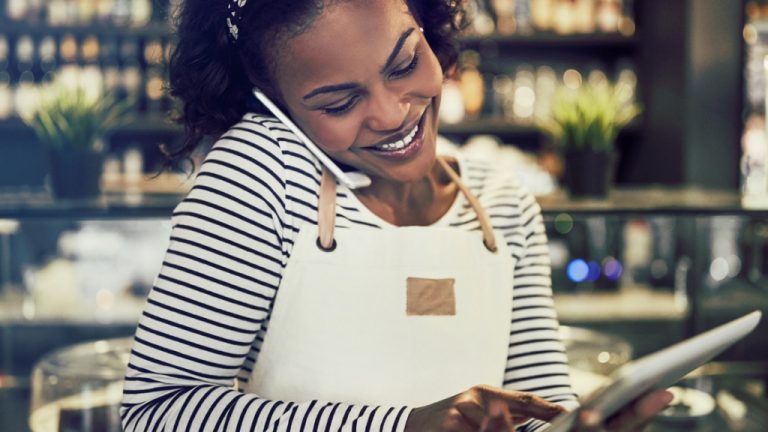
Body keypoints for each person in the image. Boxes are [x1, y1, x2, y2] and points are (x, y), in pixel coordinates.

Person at [120, 1, 672, 430]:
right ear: (274, 104)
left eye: (405, 63)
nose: (391, 114)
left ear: (429, 29)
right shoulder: (260, 174)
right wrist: (401, 426)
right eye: (339, 103)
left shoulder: (502, 203)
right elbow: (158, 411)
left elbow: (534, 411)